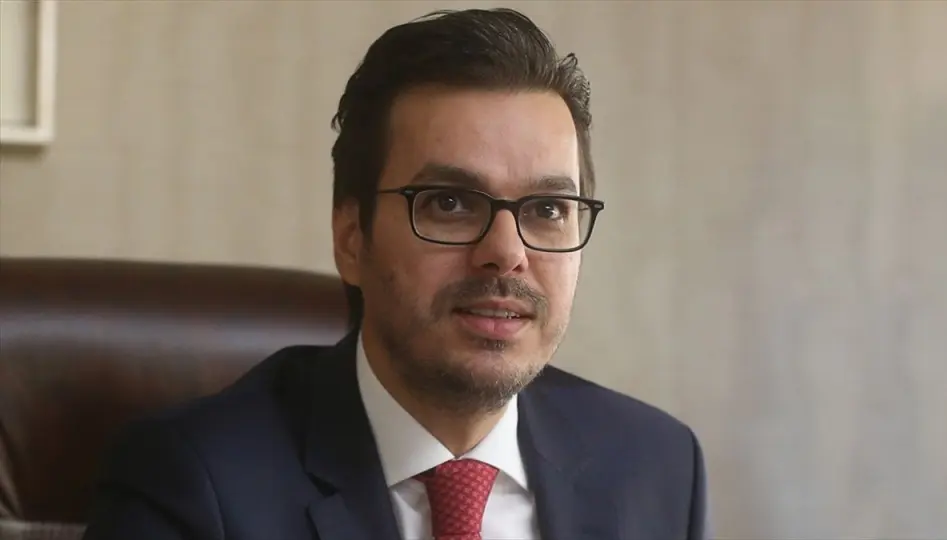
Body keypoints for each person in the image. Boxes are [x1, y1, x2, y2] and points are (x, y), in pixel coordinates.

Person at [82, 8, 709, 540]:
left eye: (547, 210)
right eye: (450, 203)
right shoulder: (193, 485)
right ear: (352, 239)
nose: (505, 252)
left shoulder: (657, 467)